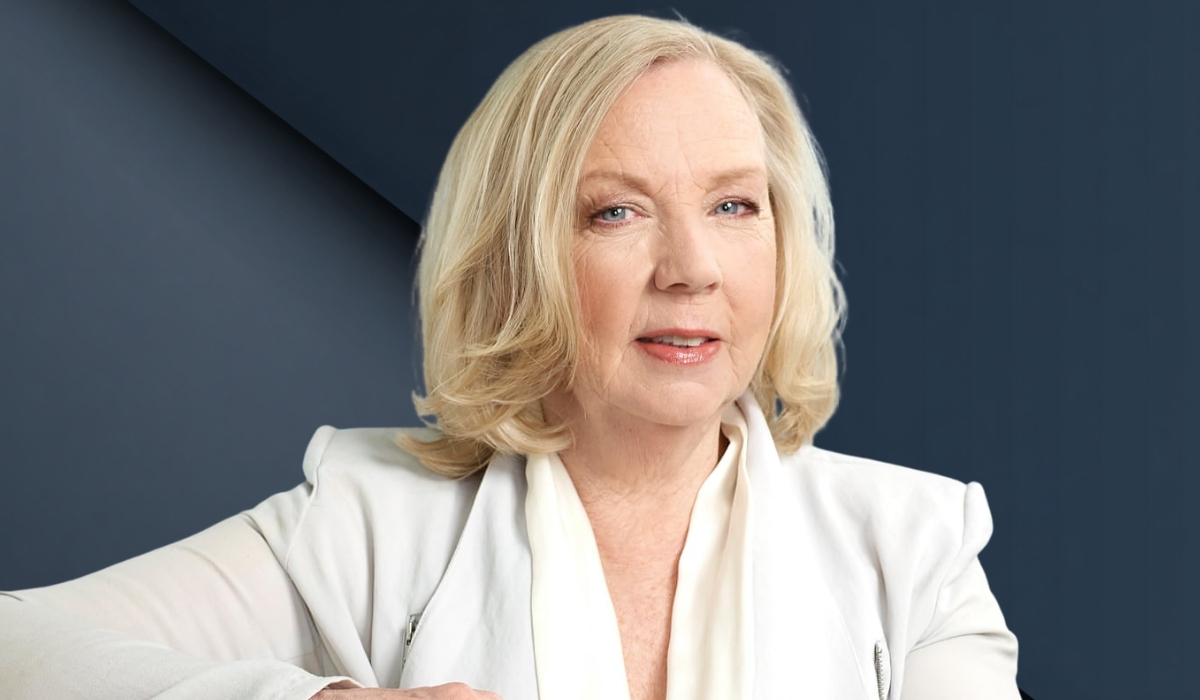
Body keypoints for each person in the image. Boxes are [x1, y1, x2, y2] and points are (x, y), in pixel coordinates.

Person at [0, 14, 1019, 700]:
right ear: (515, 256)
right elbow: (15, 649)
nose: (692, 269)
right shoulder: (368, 524)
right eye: (616, 212)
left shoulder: (915, 550)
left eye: (734, 206)